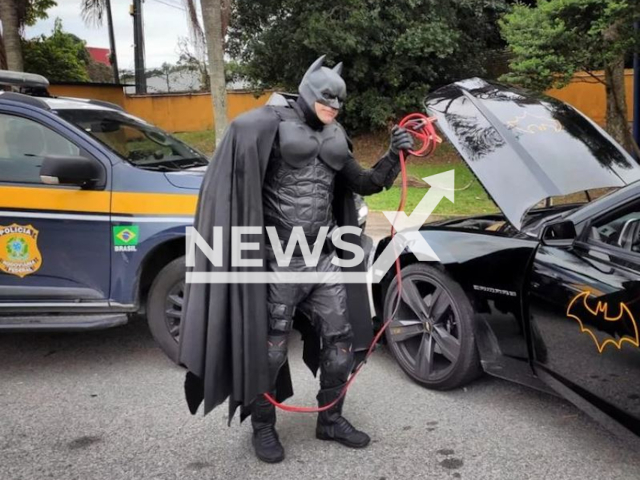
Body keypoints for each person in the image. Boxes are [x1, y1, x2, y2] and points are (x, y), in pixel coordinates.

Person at [178, 55, 413, 464]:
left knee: (342, 341)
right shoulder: (262, 126)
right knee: (267, 349)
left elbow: (366, 183)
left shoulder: (335, 134)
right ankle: (264, 426)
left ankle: (330, 419)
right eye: (327, 99)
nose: (333, 107)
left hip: (322, 259)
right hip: (276, 259)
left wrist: (394, 156)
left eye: (339, 102)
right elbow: (232, 186)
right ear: (307, 92)